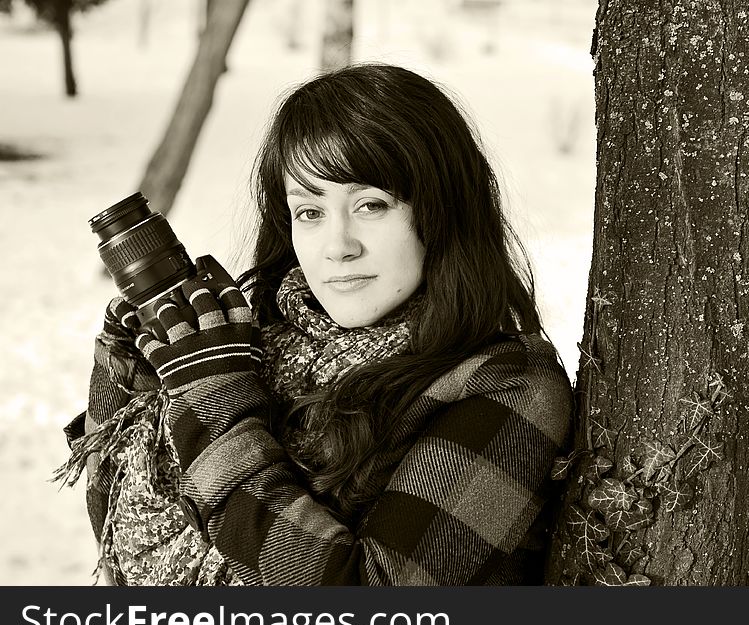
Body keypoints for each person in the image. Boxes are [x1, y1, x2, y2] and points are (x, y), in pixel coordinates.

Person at [61, 63, 573, 586]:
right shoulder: (261, 337)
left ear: (442, 210)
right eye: (310, 212)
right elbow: (120, 534)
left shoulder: (507, 386)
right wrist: (136, 371)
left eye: (371, 205)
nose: (338, 247)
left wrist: (216, 407)